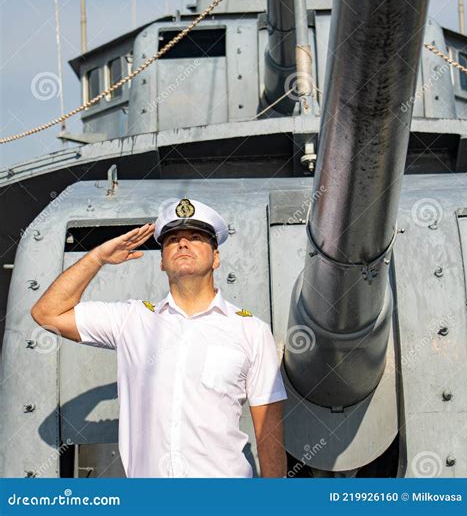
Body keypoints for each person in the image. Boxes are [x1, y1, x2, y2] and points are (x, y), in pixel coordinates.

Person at [31, 198, 288, 478]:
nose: (183, 244)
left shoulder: (251, 331)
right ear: (162, 262)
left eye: (195, 237)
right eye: (173, 239)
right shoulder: (132, 320)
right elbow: (48, 313)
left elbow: (269, 435)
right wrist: (98, 257)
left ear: (216, 257)